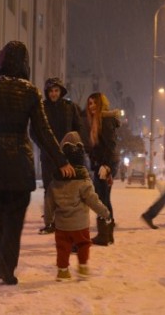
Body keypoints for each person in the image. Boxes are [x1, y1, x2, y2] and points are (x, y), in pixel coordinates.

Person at [0, 41, 75, 285]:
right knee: (14, 220)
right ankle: (7, 267)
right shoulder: (31, 91)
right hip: (19, 163)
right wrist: (61, 159)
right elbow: (43, 132)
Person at [45, 132, 110, 281]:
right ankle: (82, 267)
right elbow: (93, 200)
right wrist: (105, 212)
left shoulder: (54, 183)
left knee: (62, 247)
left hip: (62, 225)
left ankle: (62, 271)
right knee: (83, 244)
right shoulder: (83, 182)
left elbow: (49, 203)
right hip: (80, 225)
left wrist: (48, 220)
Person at [34, 77, 82, 235]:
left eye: (56, 90)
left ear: (61, 91)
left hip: (66, 155)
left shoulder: (69, 107)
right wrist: (44, 147)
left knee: (66, 189)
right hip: (48, 155)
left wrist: (74, 148)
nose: (54, 94)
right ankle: (50, 222)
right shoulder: (41, 108)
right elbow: (33, 131)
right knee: (49, 189)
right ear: (47, 92)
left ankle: (65, 222)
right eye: (51, 91)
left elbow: (78, 128)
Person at [81, 92, 120, 246]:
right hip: (103, 164)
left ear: (101, 104)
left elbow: (110, 145)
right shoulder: (99, 120)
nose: (91, 107)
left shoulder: (105, 120)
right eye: (89, 103)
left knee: (101, 199)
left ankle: (104, 234)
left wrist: (107, 166)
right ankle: (107, 234)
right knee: (104, 198)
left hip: (105, 164)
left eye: (94, 103)